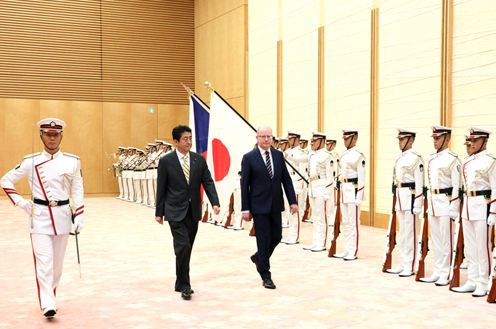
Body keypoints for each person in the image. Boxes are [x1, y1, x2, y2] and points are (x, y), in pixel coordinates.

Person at [1, 118, 84, 319]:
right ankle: (47, 303)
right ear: (41, 135)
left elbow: (78, 188)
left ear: (61, 135)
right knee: (44, 262)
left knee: (57, 266)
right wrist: (22, 203)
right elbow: (6, 180)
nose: (52, 138)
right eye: (48, 134)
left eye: (56, 134)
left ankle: (51, 295)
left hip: (63, 217)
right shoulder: (31, 161)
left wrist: (79, 215)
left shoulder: (72, 161)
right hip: (39, 218)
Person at [155, 125, 220, 300]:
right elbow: (161, 188)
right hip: (174, 211)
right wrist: (159, 212)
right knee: (182, 246)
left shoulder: (198, 160)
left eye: (190, 138)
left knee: (187, 249)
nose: (189, 141)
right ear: (175, 141)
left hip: (193, 212)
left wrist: (215, 202)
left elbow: (208, 181)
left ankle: (179, 281)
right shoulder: (166, 161)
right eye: (185, 139)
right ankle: (185, 285)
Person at [241, 125, 298, 289]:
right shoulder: (249, 158)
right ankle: (266, 274)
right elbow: (245, 185)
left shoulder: (278, 155)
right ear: (257, 138)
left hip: (275, 204)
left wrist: (292, 201)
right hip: (258, 206)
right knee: (263, 239)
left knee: (277, 236)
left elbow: (286, 179)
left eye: (269, 136)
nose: (266, 139)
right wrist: (245, 208)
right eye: (263, 136)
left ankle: (260, 257)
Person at [452, 127, 496, 297]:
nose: (472, 143)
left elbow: (495, 187)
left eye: (476, 140)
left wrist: (493, 212)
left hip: (483, 206)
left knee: (482, 247)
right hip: (468, 206)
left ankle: (483, 283)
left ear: (485, 141)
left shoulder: (491, 161)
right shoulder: (467, 161)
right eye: (471, 140)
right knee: (470, 247)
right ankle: (472, 280)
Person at [419, 126, 460, 286]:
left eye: (438, 138)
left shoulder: (452, 159)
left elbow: (457, 186)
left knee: (446, 240)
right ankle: (438, 270)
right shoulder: (431, 158)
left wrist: (454, 208)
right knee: (435, 239)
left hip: (446, 202)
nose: (435, 141)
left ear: (447, 139)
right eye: (434, 138)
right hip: (434, 202)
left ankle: (447, 273)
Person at [386, 128, 424, 276]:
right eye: (399, 139)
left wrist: (418, 203)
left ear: (411, 140)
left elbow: (420, 183)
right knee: (402, 233)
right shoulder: (400, 158)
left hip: (410, 198)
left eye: (402, 139)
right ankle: (403, 262)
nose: (399, 142)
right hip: (401, 197)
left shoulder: (416, 158)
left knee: (410, 233)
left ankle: (411, 265)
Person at [332, 129, 366, 261]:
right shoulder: (344, 155)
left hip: (353, 190)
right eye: (344, 138)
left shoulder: (358, 155)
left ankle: (353, 250)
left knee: (353, 222)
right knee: (345, 222)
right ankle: (347, 249)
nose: (345, 141)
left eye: (347, 138)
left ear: (354, 138)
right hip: (344, 189)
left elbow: (362, 177)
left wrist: (360, 196)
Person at [303, 132, 331, 252]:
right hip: (313, 187)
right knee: (315, 217)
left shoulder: (326, 155)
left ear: (322, 141)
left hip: (322, 187)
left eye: (315, 140)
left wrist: (326, 193)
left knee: (321, 217)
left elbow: (330, 177)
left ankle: (321, 243)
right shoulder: (312, 155)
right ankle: (315, 242)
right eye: (312, 140)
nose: (312, 143)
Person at [281, 131, 309, 245]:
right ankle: (290, 234)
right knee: (288, 210)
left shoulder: (302, 152)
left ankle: (295, 236)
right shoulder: (287, 152)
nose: (289, 140)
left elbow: (302, 171)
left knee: (295, 211)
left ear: (297, 139)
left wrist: (300, 186)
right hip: (287, 182)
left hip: (296, 182)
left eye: (291, 138)